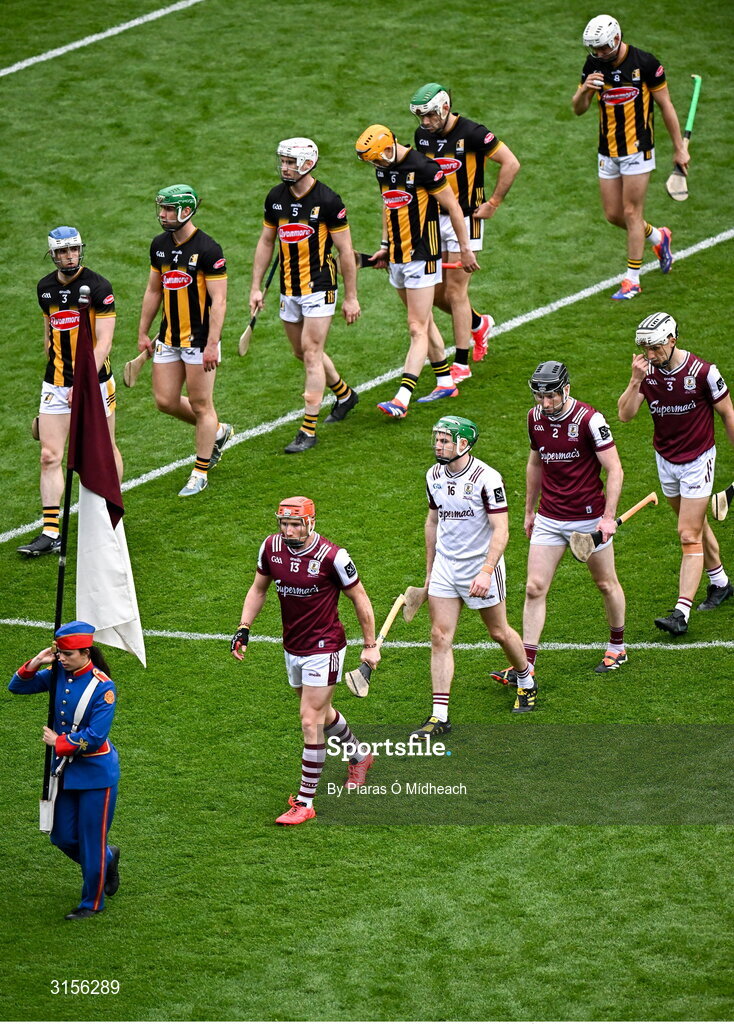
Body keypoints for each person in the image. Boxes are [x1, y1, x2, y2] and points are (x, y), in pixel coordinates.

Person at [231, 497, 381, 824]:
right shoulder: (270, 548)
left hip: (325, 647)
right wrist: (244, 628)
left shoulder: (333, 557)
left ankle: (305, 802)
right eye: (283, 524)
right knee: (321, 713)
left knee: (309, 720)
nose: (288, 530)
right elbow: (258, 589)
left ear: (311, 522)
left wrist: (370, 646)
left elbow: (360, 598)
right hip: (293, 646)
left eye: (295, 524)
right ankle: (360, 755)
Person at [492, 361, 626, 696]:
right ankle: (526, 663)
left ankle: (617, 646)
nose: (546, 403)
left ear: (566, 389)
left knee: (605, 583)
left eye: (551, 396)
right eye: (540, 396)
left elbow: (615, 469)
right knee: (535, 588)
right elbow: (535, 463)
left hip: (587, 518)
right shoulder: (534, 418)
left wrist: (607, 517)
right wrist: (528, 511)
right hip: (550, 518)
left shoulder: (589, 420)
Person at [617, 312, 734, 634]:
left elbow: (727, 413)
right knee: (694, 525)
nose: (650, 355)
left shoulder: (704, 372)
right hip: (666, 460)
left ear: (672, 339)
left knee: (687, 533)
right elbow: (625, 415)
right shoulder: (647, 374)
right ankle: (720, 582)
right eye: (645, 349)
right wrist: (635, 380)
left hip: (698, 460)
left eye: (655, 348)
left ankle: (680, 613)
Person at [416, 416, 536, 722]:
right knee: (439, 636)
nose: (438, 445)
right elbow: (432, 522)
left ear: (463, 444)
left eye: (445, 440)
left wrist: (486, 570)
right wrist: (430, 573)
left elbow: (502, 530)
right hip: (446, 565)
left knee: (498, 632)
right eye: (438, 439)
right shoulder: (433, 475)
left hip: (480, 566)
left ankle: (525, 678)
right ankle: (439, 716)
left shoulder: (488, 478)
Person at [355, 124, 480, 418]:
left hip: (423, 257)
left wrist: (465, 248)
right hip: (397, 259)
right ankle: (445, 381)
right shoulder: (382, 169)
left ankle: (402, 397)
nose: (374, 164)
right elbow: (388, 207)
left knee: (416, 327)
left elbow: (454, 207)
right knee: (424, 323)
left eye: (375, 158)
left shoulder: (425, 168)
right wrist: (385, 245)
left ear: (387, 148)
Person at [250, 139, 361, 454]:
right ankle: (344, 394)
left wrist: (351, 297)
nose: (284, 167)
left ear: (307, 163)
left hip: (319, 288)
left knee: (312, 354)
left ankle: (308, 430)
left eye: (290, 162)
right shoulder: (275, 198)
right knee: (301, 352)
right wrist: (256, 287)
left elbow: (345, 252)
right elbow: (266, 242)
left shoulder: (328, 201)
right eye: (282, 161)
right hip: (289, 289)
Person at [18, 227, 122, 558]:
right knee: (49, 455)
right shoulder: (45, 288)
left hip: (94, 383)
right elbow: (49, 331)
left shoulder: (99, 286)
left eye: (73, 250)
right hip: (56, 383)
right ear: (52, 255)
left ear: (80, 250)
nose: (68, 256)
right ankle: (51, 532)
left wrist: (83, 383)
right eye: (62, 252)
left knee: (105, 448)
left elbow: (104, 340)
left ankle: (111, 515)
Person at [571, 15, 689, 301]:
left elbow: (666, 106)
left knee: (632, 212)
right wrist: (586, 88)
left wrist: (679, 148)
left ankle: (632, 280)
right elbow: (578, 108)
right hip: (607, 150)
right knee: (614, 215)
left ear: (615, 39)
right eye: (593, 49)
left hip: (638, 149)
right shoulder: (593, 66)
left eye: (601, 48)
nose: (598, 54)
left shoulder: (646, 63)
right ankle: (659, 238)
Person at [8, 621, 121, 919]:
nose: (62, 659)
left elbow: (95, 736)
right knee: (60, 836)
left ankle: (92, 903)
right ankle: (107, 859)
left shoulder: (103, 687)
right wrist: (36, 662)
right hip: (66, 771)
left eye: (67, 655)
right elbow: (16, 687)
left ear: (86, 653)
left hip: (96, 775)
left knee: (91, 839)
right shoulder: (58, 674)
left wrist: (59, 741)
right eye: (60, 654)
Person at [410, 83, 521, 382]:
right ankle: (478, 323)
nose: (426, 123)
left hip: (467, 218)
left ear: (445, 108)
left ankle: (460, 362)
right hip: (434, 219)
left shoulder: (472, 133)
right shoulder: (422, 136)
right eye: (421, 117)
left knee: (456, 290)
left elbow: (511, 163)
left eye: (430, 116)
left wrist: (494, 203)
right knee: (434, 293)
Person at [137, 184, 233, 497]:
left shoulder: (208, 249)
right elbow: (154, 290)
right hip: (168, 336)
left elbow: (219, 301)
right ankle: (217, 432)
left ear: (186, 210)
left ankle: (200, 471)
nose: (162, 215)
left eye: (168, 209)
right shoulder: (160, 245)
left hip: (199, 340)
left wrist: (211, 344)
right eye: (161, 209)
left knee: (202, 404)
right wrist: (142, 331)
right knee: (165, 400)